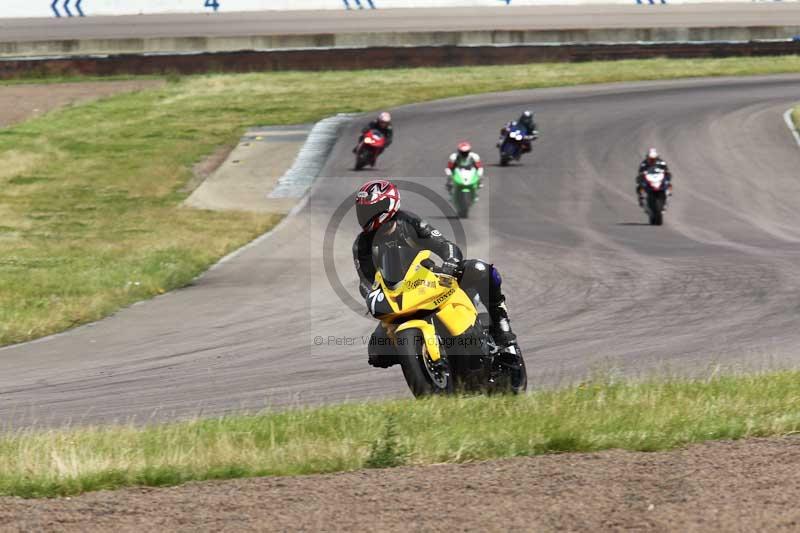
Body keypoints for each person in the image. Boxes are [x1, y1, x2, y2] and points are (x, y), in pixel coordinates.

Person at [353, 179, 517, 368]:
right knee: (377, 352)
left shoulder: (409, 223)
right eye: (362, 210)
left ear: (388, 205)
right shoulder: (362, 245)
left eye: (370, 210)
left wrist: (451, 261)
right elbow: (365, 280)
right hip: (398, 296)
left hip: (429, 279)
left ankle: (504, 331)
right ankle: (422, 359)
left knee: (481, 270)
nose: (365, 215)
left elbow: (443, 244)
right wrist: (370, 296)